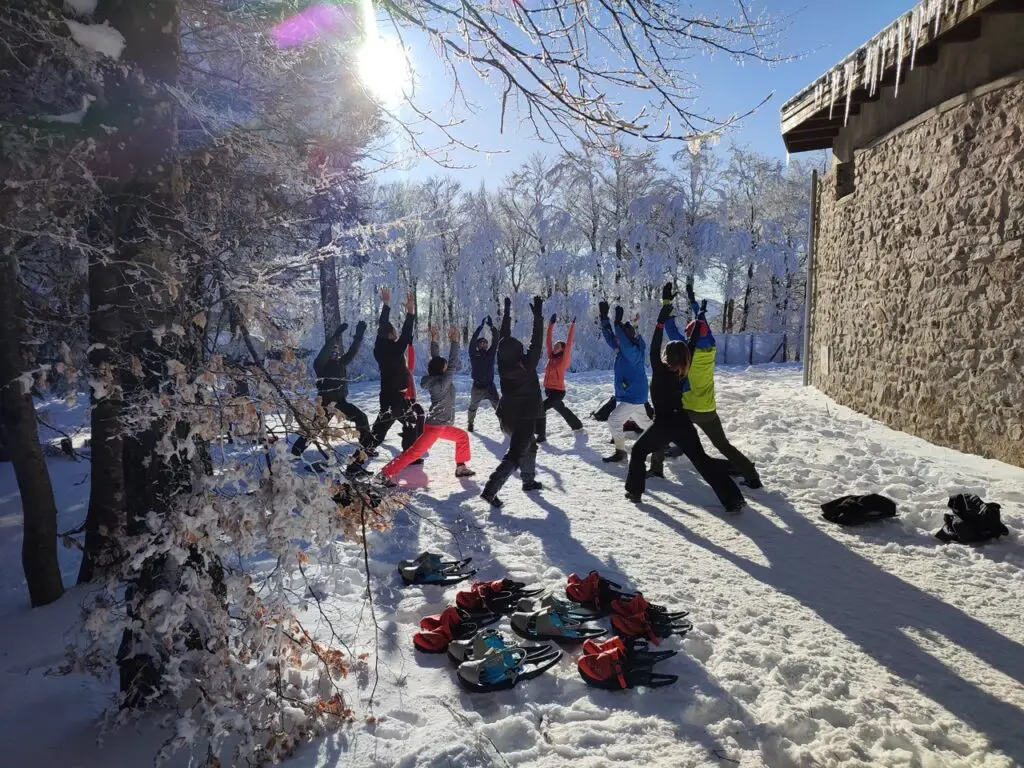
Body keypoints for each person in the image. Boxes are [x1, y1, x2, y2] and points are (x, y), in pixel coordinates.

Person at [624, 284, 745, 510]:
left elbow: (654, 346)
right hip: (683, 423)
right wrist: (699, 316)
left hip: (664, 424)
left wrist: (661, 319)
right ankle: (734, 499)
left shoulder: (660, 370)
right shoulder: (683, 370)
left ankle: (634, 492)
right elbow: (691, 343)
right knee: (702, 462)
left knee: (639, 451)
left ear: (667, 355)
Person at [665, 282, 762, 489]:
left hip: (690, 408)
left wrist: (668, 304)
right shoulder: (711, 348)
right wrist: (694, 304)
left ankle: (660, 464)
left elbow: (670, 330)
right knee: (723, 445)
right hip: (709, 409)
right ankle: (752, 476)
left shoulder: (688, 353)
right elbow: (702, 325)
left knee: (666, 426)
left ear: (690, 337)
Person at [379, 326, 475, 482]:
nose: (446, 367)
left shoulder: (438, 379)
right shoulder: (443, 382)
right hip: (436, 427)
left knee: (461, 436)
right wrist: (455, 342)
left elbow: (437, 361)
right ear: (442, 370)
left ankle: (461, 467)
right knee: (413, 453)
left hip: (440, 425)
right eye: (444, 367)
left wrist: (434, 339)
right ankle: (384, 475)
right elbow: (451, 364)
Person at [481, 296, 545, 507]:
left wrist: (507, 312)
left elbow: (504, 338)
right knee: (515, 454)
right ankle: (490, 491)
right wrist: (538, 316)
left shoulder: (502, 363)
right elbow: (537, 340)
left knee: (530, 447)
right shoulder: (527, 365)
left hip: (506, 417)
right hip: (523, 418)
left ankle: (528, 481)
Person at [291, 319, 373, 457]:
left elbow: (352, 352)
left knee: (361, 418)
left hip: (341, 402)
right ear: (328, 354)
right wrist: (335, 337)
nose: (336, 355)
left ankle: (367, 448)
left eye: (337, 353)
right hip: (326, 404)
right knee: (315, 428)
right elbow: (323, 354)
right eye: (333, 353)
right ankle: (296, 452)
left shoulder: (341, 363)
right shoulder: (320, 365)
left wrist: (358, 336)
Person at [599, 300, 651, 463]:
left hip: (633, 396)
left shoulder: (633, 352)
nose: (617, 341)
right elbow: (610, 338)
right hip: (633, 395)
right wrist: (604, 318)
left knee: (614, 420)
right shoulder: (624, 348)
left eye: (621, 338)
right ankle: (665, 441)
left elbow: (620, 338)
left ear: (627, 338)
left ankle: (620, 452)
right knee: (645, 423)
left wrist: (617, 322)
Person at [368, 287, 420, 450]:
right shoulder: (394, 349)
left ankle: (357, 461)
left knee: (379, 430)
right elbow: (405, 334)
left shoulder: (379, 347)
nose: (396, 331)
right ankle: (411, 458)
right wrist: (410, 313)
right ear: (390, 335)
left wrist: (386, 305)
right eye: (393, 330)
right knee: (411, 422)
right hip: (395, 398)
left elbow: (382, 326)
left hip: (386, 395)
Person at [537, 313, 583, 441]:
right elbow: (548, 341)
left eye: (558, 345)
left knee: (541, 408)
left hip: (558, 392)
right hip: (549, 390)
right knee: (561, 409)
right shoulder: (552, 357)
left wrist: (573, 325)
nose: (555, 346)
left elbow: (569, 342)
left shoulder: (564, 359)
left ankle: (540, 435)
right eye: (555, 345)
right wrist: (551, 325)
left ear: (563, 349)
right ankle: (577, 425)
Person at [467, 316, 499, 432]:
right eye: (482, 343)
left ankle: (503, 423)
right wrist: (480, 327)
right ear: (478, 345)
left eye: (486, 343)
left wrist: (492, 327)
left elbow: (496, 339)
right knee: (472, 407)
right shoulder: (473, 354)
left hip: (490, 386)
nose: (485, 344)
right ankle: (470, 423)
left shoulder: (490, 353)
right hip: (477, 386)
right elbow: (472, 341)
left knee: (498, 406)